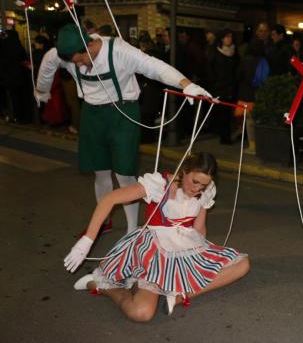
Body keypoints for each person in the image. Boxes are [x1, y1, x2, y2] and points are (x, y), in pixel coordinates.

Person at [35, 23, 211, 235]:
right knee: (100, 172)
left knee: (125, 174)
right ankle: (104, 220)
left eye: (81, 59)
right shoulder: (62, 55)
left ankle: (132, 230)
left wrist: (186, 84)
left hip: (123, 113)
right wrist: (42, 90)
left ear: (89, 44)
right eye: (74, 63)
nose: (80, 66)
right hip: (92, 113)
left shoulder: (119, 51)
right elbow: (47, 64)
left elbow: (155, 67)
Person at [63, 152, 250, 322]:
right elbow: (109, 199)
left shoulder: (205, 191)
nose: (198, 189)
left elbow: (199, 228)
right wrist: (87, 240)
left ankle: (178, 296)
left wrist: (199, 264)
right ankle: (101, 286)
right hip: (154, 252)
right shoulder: (159, 184)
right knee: (141, 313)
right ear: (184, 171)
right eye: (195, 181)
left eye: (204, 185)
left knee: (242, 264)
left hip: (186, 247)